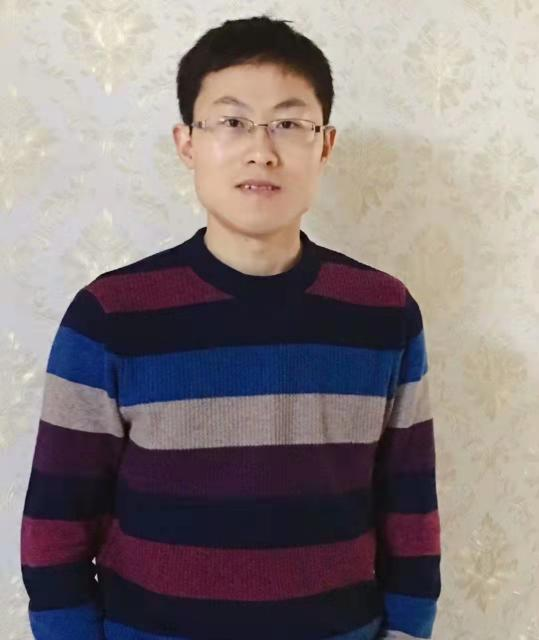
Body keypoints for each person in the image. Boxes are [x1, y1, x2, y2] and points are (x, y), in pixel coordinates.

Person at [20, 14, 441, 640]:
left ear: (326, 145)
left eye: (289, 124)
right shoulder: (110, 315)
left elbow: (410, 512)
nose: (261, 150)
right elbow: (56, 525)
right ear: (187, 142)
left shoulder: (384, 312)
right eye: (233, 121)